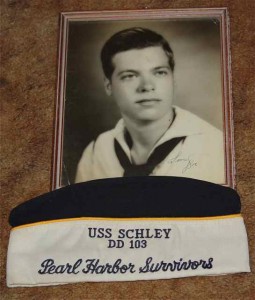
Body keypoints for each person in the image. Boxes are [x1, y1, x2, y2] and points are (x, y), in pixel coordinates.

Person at [75, 27, 225, 184]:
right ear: (108, 86)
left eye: (159, 72)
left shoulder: (216, 149)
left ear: (173, 80)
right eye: (130, 76)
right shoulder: (95, 153)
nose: (147, 86)